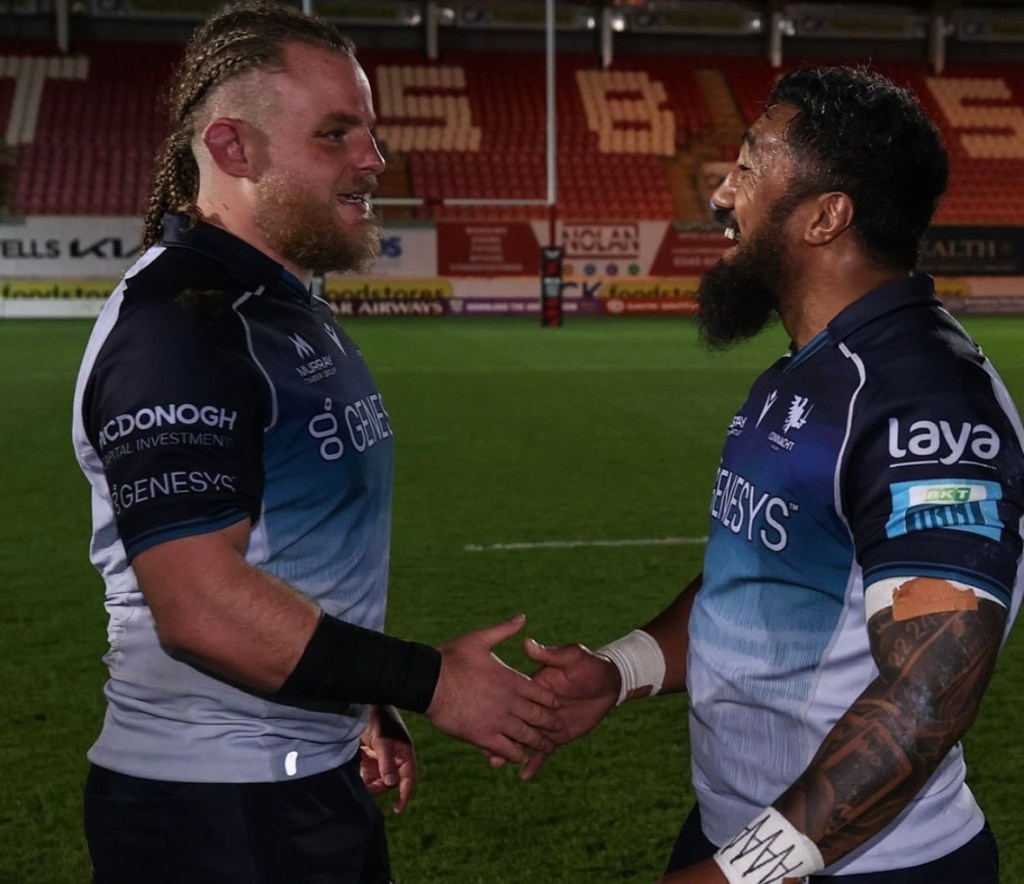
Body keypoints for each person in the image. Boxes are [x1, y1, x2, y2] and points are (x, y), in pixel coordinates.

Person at [71, 3, 561, 882]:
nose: (373, 160)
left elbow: (286, 560)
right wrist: (429, 680)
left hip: (290, 786)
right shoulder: (181, 328)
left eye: (369, 133)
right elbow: (201, 607)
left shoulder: (282, 306)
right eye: (337, 134)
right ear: (233, 150)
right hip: (214, 816)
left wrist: (359, 694)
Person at [521, 66, 1024, 883]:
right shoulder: (811, 368)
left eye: (749, 166)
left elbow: (931, 690)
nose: (721, 194)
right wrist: (622, 671)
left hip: (865, 866)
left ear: (827, 216)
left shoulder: (928, 402)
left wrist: (740, 873)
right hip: (753, 839)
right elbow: (761, 573)